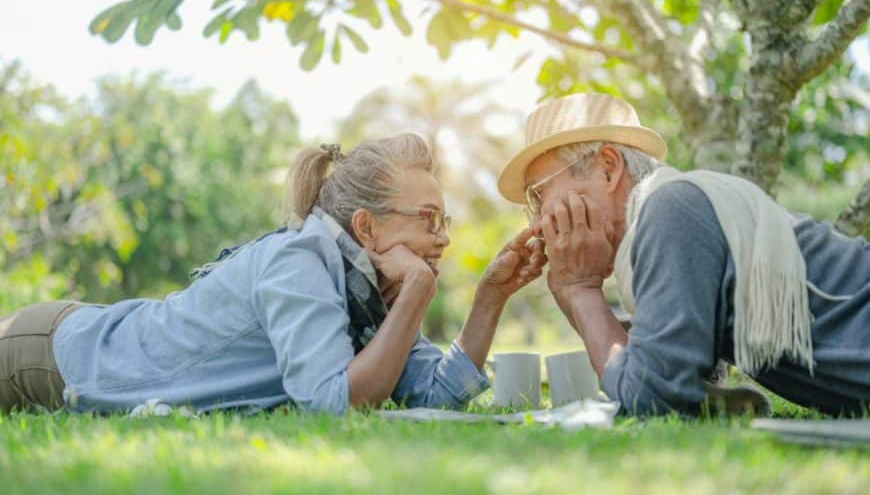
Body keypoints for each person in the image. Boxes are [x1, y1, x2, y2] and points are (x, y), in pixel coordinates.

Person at [0, 133, 546, 415]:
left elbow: (436, 395)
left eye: (444, 220)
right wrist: (418, 295)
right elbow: (334, 404)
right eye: (428, 220)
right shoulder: (300, 262)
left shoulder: (372, 294)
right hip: (53, 355)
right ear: (367, 228)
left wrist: (489, 298)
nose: (444, 237)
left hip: (78, 342)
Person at [497, 92, 870, 416]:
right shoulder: (672, 209)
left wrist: (579, 290)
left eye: (538, 194)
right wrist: (575, 291)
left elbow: (652, 398)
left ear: (608, 168)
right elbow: (655, 367)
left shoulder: (671, 210)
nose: (539, 220)